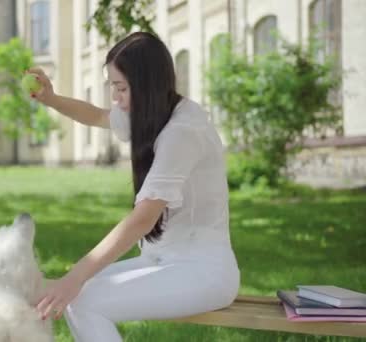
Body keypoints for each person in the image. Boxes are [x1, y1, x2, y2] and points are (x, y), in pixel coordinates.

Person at [29, 31, 240, 342]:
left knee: (83, 299)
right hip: (161, 261)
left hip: (203, 272)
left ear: (147, 86)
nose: (115, 98)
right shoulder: (154, 112)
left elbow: (143, 218)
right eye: (113, 87)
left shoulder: (182, 131)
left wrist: (75, 276)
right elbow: (98, 115)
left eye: (121, 88)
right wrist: (51, 98)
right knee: (76, 297)